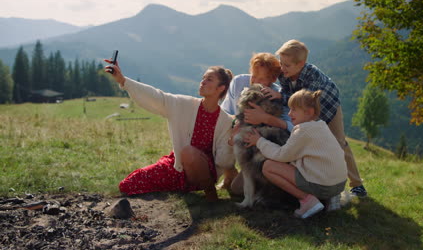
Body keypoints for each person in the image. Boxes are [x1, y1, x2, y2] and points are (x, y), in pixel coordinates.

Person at [104, 58, 235, 202]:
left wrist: (231, 141)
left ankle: (211, 195)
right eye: (203, 78)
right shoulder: (184, 104)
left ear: (221, 88)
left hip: (203, 172)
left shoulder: (226, 121)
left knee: (188, 152)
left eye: (209, 79)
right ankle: (179, 187)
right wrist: (123, 80)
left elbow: (224, 161)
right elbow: (157, 97)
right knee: (128, 185)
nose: (203, 81)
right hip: (177, 168)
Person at [274, 39, 367, 197]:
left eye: (287, 65)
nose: (282, 68)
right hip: (305, 111)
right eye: (281, 63)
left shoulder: (313, 75)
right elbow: (287, 93)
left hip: (327, 106)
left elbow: (304, 101)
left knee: (339, 143)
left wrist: (280, 96)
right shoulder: (284, 73)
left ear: (301, 63)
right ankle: (309, 178)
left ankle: (357, 184)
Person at [244, 89, 347, 218]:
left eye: (294, 110)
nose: (290, 113)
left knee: (268, 167)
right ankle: (330, 199)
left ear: (309, 112)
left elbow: (280, 155)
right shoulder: (321, 126)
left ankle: (308, 201)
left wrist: (259, 141)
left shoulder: (302, 131)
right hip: (339, 184)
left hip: (324, 186)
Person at [219, 52, 293, 195]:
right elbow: (225, 111)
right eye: (253, 75)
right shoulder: (239, 82)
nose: (254, 81)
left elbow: (291, 127)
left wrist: (265, 118)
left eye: (261, 78)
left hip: (259, 150)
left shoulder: (276, 94)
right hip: (237, 134)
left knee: (237, 190)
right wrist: (236, 122)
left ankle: (267, 181)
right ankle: (229, 172)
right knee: (222, 133)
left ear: (272, 79)